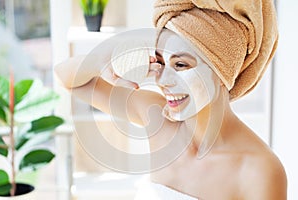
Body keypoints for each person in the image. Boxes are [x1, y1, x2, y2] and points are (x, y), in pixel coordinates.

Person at [54, 0, 287, 199]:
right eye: (162, 63)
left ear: (222, 71)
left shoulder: (260, 170)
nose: (163, 80)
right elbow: (68, 78)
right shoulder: (157, 118)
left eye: (181, 65)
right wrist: (105, 55)